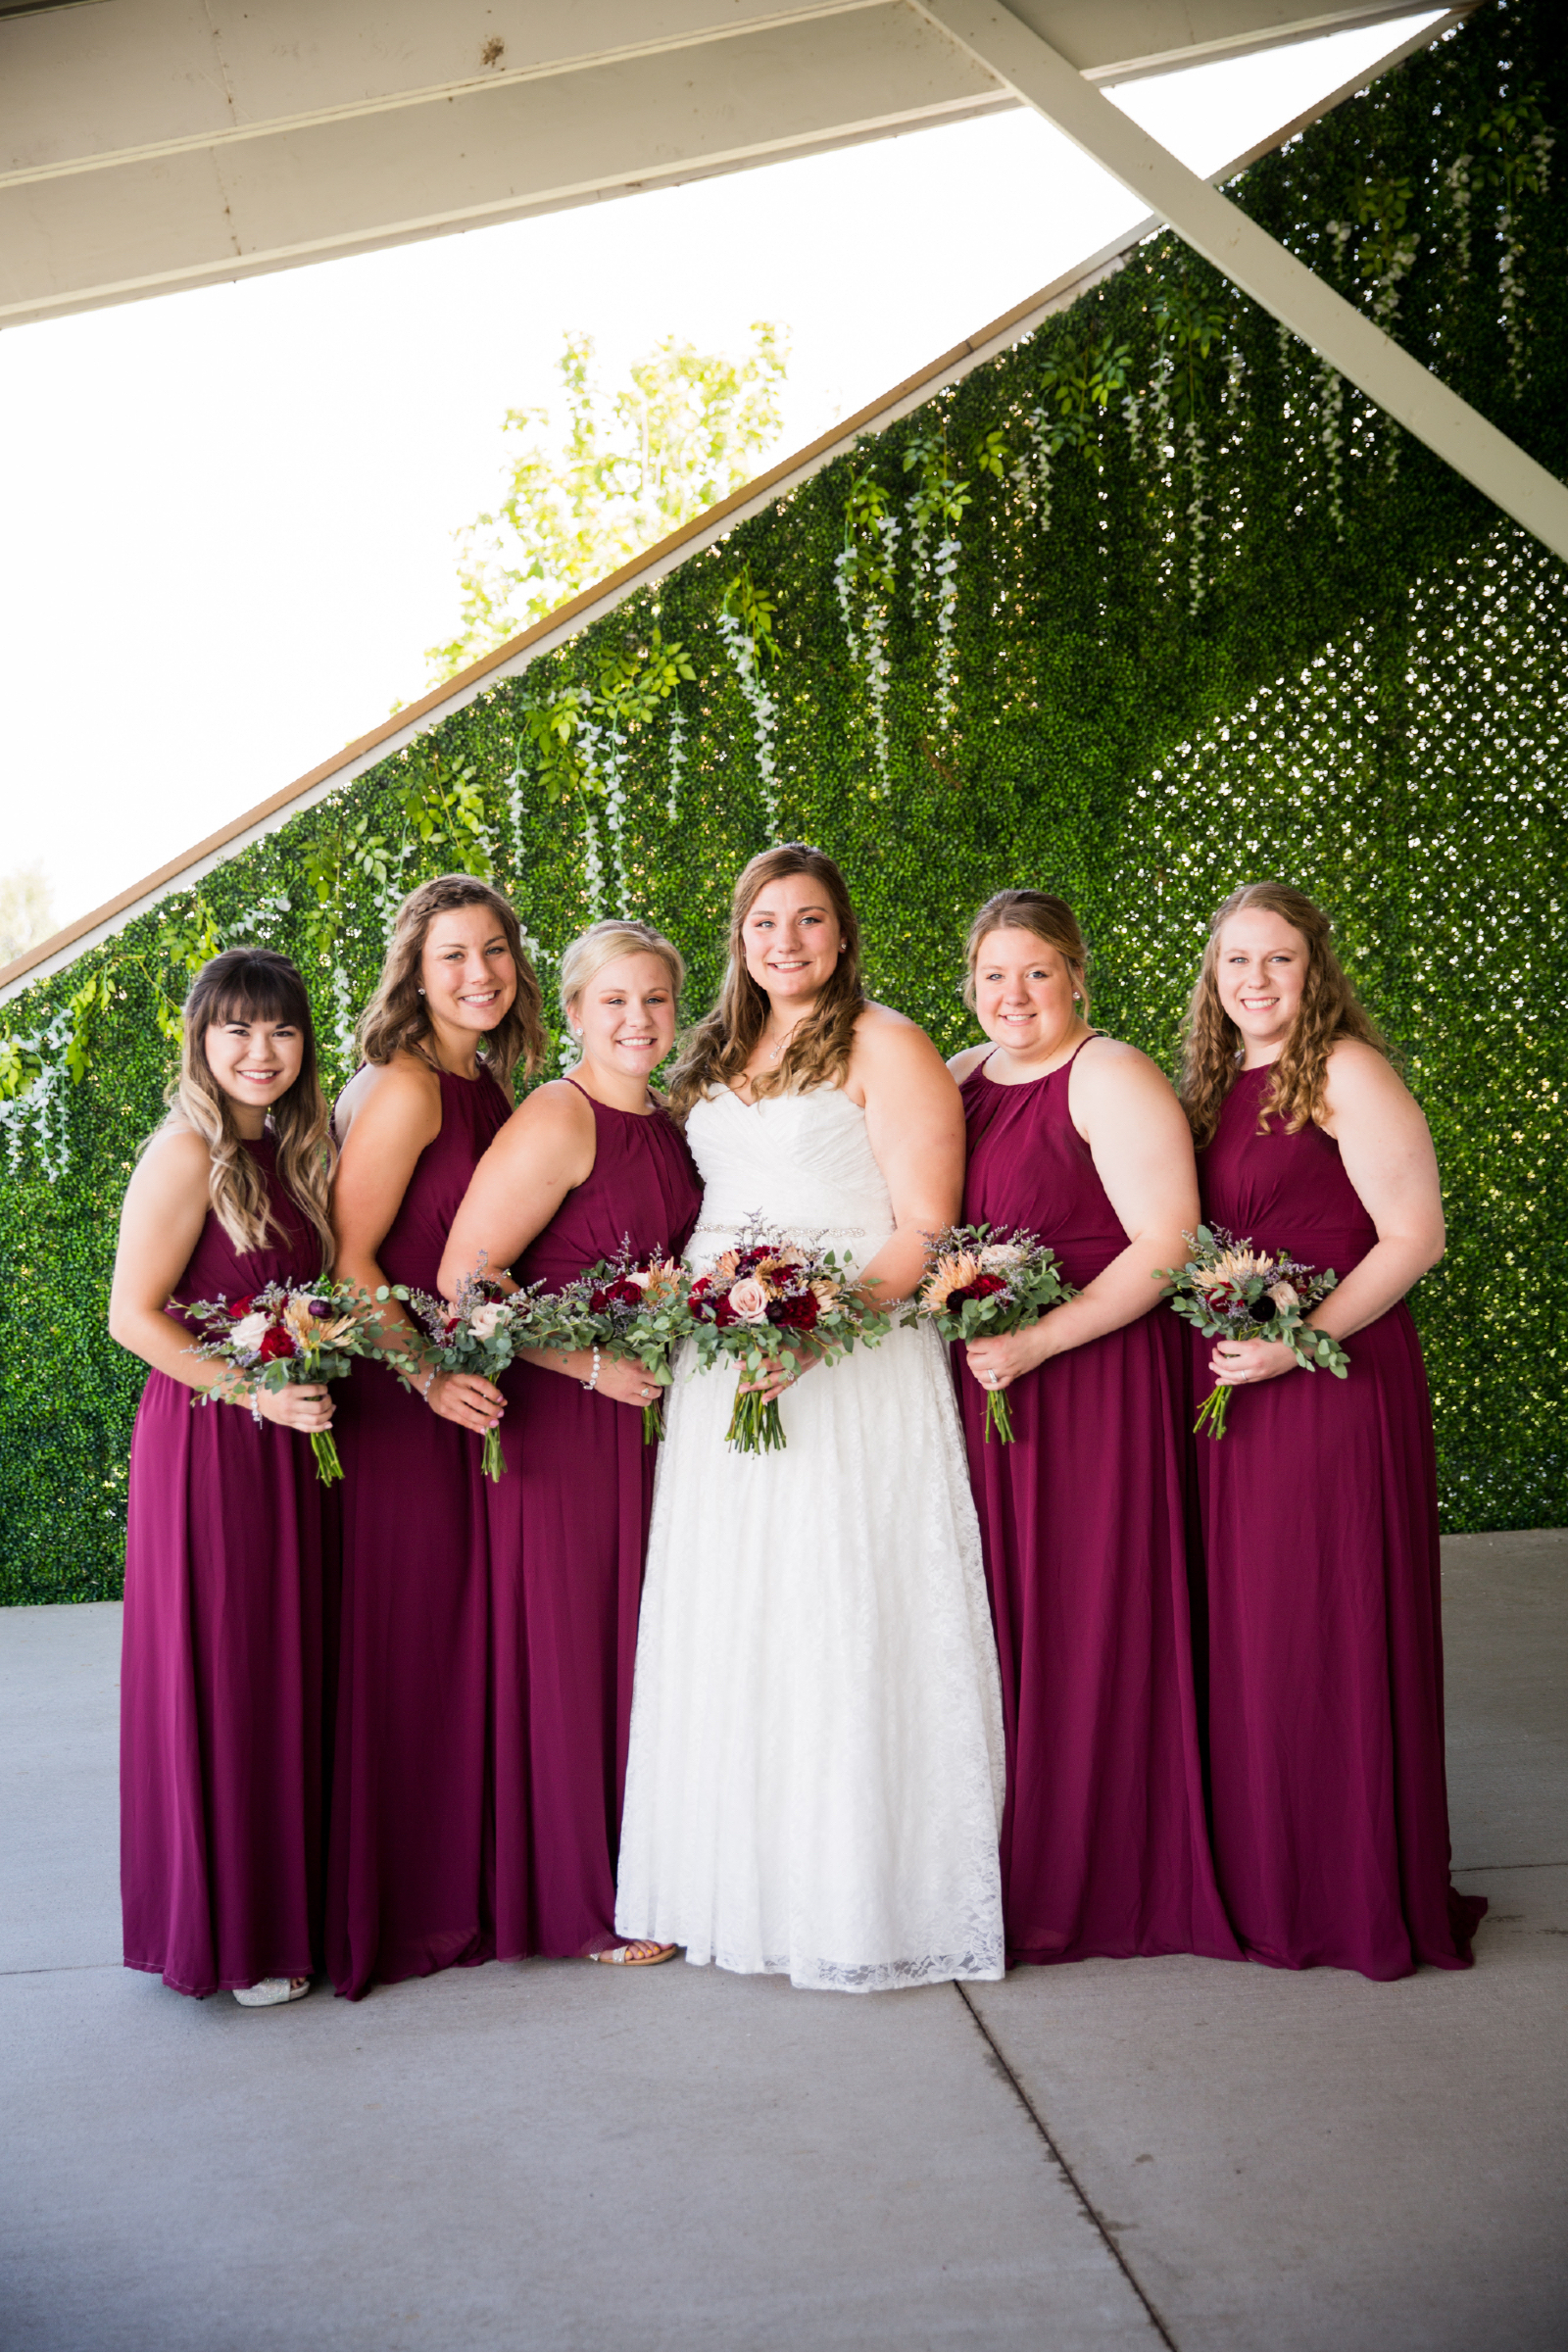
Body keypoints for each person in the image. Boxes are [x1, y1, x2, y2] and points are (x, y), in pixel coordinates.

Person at [613, 843, 1005, 1991]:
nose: (785, 942)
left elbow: (927, 1228)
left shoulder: (888, 1043)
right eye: (763, 923)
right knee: (732, 1610)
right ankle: (721, 1885)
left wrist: (813, 1332)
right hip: (719, 1357)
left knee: (838, 1601)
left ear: (843, 934)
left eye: (809, 921)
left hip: (849, 1357)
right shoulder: (711, 1053)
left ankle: (855, 1899)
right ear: (738, 937)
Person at [1182, 881, 1485, 1978]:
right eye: (1235, 964)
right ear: (1211, 979)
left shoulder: (1346, 1070)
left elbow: (1413, 1236)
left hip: (1329, 1380)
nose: (1254, 982)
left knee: (1326, 1623)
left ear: (1314, 972)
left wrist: (1292, 1342)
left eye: (1277, 962)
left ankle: (1345, 1892)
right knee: (1260, 1633)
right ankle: (1271, 1877)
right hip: (1240, 1385)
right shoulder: (1215, 1084)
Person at [951, 893, 1239, 1966]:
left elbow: (1167, 1240)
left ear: (1077, 975)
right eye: (992, 976)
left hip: (1090, 1381)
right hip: (985, 1383)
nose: (1012, 996)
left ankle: (1102, 1868)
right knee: (998, 1616)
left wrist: (1039, 1343)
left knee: (1085, 1612)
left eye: (1035, 973)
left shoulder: (1110, 1073)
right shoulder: (962, 1076)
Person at [439, 920, 702, 1967]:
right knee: (576, 1652)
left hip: (644, 1422)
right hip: (565, 1425)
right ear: (577, 1010)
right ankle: (582, 1903)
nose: (636, 1020)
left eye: (654, 1000)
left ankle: (650, 1871)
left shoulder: (671, 1119)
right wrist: (585, 1368)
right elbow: (466, 1277)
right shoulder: (559, 1115)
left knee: (641, 1648)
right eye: (613, 1002)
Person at [325, 874, 547, 1999]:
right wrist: (423, 1377)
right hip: (406, 1408)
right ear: (414, 970)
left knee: (460, 1647)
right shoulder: (408, 1088)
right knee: (410, 1649)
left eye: (497, 950)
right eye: (454, 955)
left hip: (466, 1395)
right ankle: (399, 1909)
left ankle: (457, 1894)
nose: (481, 974)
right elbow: (348, 1262)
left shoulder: (489, 1081)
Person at [111, 947, 336, 2006]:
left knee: (287, 1664)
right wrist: (253, 1395)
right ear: (202, 1040)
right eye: (238, 1030)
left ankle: (295, 1903)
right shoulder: (187, 1151)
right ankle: (239, 1931)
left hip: (291, 1434)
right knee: (231, 1668)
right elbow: (132, 1317)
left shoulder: (292, 1147)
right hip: (212, 1439)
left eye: (282, 1029)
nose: (261, 1050)